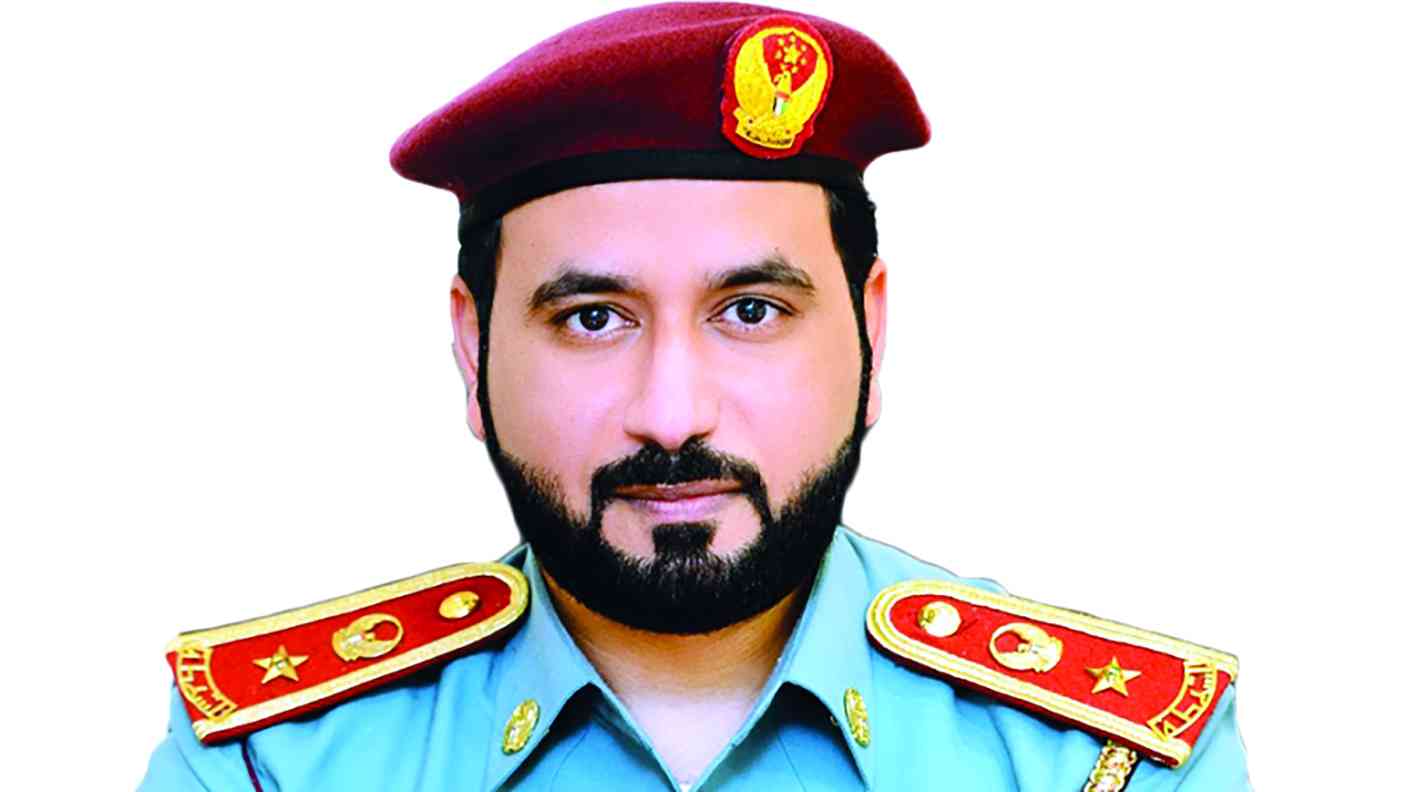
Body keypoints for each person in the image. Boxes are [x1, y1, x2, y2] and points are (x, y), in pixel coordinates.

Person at [139, 4, 1250, 790]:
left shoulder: (1105, 762)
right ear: (472, 354)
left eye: (751, 311)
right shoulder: (271, 759)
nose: (672, 415)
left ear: (870, 333)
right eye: (592, 319)